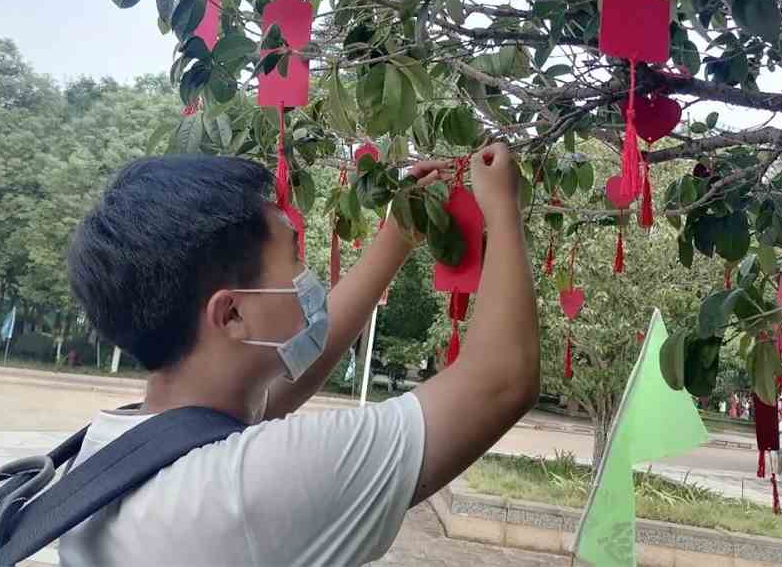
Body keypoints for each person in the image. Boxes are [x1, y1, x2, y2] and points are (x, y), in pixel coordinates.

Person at [58, 144, 539, 566]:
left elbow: (290, 378)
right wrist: (501, 210)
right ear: (231, 316)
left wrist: (397, 238)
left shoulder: (114, 447)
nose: (307, 280)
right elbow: (499, 381)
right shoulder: (246, 489)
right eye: (295, 256)